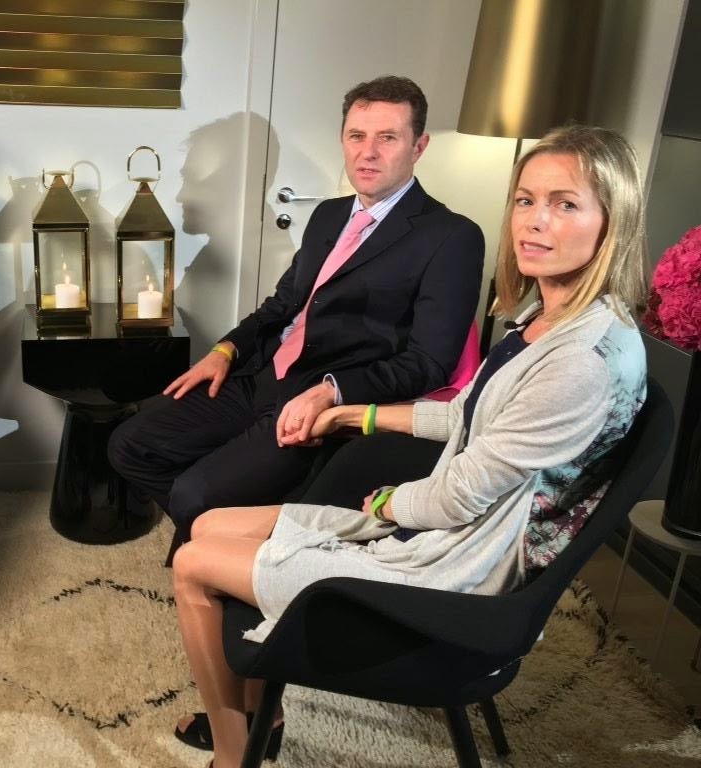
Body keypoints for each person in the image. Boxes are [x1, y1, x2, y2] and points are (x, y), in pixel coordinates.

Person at [170, 123, 649, 767]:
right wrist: (354, 415)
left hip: (450, 574)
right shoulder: (544, 318)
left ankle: (234, 755)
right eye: (526, 200)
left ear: (612, 222)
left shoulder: (580, 362)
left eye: (565, 204)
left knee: (193, 564)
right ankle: (263, 715)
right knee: (209, 523)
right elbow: (464, 417)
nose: (535, 221)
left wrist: (387, 503)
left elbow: (456, 499)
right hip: (444, 532)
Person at [108, 76, 484, 547]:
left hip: (324, 400)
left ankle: (225, 547)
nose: (368, 152)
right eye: (357, 136)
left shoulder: (451, 237)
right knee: (129, 445)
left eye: (387, 138)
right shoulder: (329, 214)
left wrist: (333, 391)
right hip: (263, 373)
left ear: (419, 146)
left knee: (193, 493)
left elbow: (428, 363)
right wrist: (226, 350)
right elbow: (283, 304)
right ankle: (233, 538)